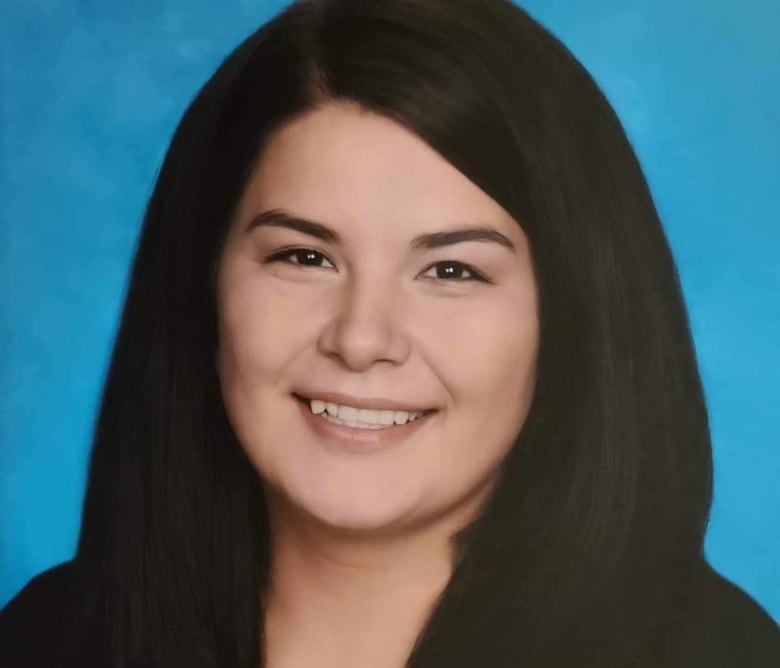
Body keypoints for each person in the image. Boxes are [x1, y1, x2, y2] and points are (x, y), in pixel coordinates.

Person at [1, 0, 778, 666]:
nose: (362, 338)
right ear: (202, 286)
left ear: (571, 319)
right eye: (304, 256)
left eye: (451, 272)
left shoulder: (716, 655)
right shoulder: (48, 640)